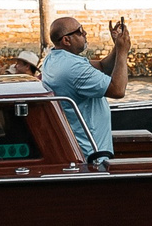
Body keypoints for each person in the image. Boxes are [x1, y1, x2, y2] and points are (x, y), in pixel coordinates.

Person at [39, 14, 129, 170]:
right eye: (80, 31)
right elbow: (118, 90)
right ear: (66, 40)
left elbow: (101, 66)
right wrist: (122, 52)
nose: (85, 33)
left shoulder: (54, 58)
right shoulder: (74, 68)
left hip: (81, 148)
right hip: (93, 156)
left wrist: (117, 46)